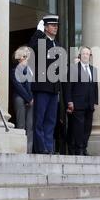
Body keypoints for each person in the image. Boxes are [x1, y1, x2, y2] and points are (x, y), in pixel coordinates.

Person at [28, 15, 63, 154]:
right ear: (45, 27)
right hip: (42, 86)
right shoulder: (41, 40)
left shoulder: (58, 44)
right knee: (40, 120)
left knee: (51, 120)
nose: (55, 27)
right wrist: (38, 32)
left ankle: (49, 147)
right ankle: (41, 148)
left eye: (56, 25)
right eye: (52, 25)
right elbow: (31, 50)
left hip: (53, 87)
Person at [66, 46, 98, 156]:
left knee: (87, 127)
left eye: (87, 54)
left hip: (89, 103)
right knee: (78, 127)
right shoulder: (74, 68)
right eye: (83, 53)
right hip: (77, 102)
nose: (85, 56)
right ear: (80, 56)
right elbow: (69, 86)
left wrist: (95, 101)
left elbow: (95, 87)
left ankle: (84, 147)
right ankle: (78, 148)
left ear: (90, 56)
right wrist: (69, 101)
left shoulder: (94, 69)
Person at [10, 47, 34, 154]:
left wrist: (32, 98)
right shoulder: (14, 71)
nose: (27, 58)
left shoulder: (31, 70)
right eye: (24, 56)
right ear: (19, 58)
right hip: (20, 99)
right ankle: (21, 150)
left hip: (32, 100)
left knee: (30, 126)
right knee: (21, 125)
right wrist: (29, 99)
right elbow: (18, 86)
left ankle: (28, 150)